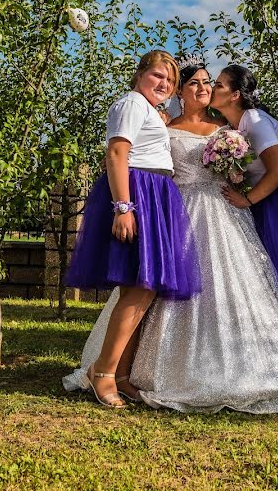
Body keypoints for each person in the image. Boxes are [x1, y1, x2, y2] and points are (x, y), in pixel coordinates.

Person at [64, 56, 278, 413]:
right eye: (194, 83)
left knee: (225, 288)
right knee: (147, 288)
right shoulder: (163, 124)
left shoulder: (229, 129)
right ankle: (123, 371)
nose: (204, 88)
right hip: (174, 211)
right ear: (179, 91)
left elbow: (255, 170)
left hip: (221, 213)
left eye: (209, 82)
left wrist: (236, 178)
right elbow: (136, 160)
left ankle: (227, 367)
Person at [64, 50, 202, 408]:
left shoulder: (148, 109)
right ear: (140, 74)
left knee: (145, 288)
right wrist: (123, 207)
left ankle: (119, 373)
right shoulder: (130, 103)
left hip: (155, 192)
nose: (164, 84)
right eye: (158, 76)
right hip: (138, 192)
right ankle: (104, 374)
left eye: (170, 81)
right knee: (139, 289)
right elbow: (116, 153)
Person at [209, 65, 278, 328]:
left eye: (219, 84)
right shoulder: (234, 126)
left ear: (235, 95)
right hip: (266, 198)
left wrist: (248, 199)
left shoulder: (254, 120)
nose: (212, 88)